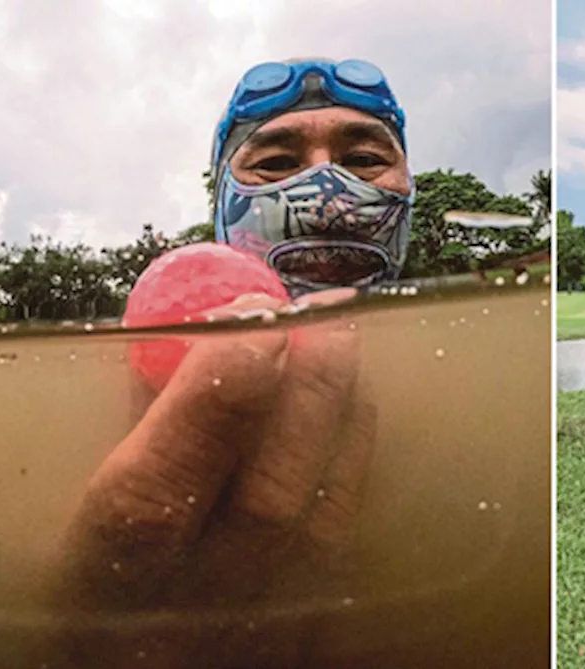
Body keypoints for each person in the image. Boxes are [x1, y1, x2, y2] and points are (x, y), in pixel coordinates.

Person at [46, 58, 412, 667]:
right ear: (219, 203)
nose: (327, 187)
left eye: (365, 159)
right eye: (274, 163)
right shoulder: (119, 376)